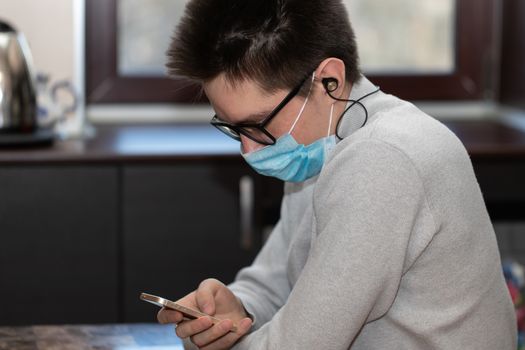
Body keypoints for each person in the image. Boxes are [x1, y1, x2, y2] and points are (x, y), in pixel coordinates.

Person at [156, 0, 517, 349]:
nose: (248, 150)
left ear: (329, 79)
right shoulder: (320, 139)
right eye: (233, 128)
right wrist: (234, 308)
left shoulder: (382, 158)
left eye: (257, 124)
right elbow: (278, 279)